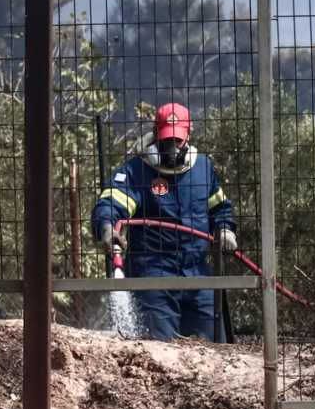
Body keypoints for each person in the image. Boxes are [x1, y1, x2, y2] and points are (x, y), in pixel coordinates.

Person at [92, 103, 237, 342]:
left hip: (198, 275)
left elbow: (219, 208)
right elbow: (110, 205)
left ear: (188, 135)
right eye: (167, 140)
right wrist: (108, 231)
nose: (172, 147)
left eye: (178, 140)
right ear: (156, 135)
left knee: (216, 350)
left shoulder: (203, 168)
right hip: (152, 274)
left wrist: (224, 229)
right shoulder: (135, 172)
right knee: (160, 350)